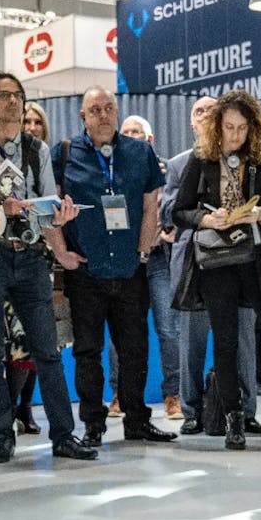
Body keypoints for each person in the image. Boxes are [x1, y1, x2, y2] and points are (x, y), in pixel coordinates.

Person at [0, 72, 98, 465]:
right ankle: (1, 436)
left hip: (27, 256)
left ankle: (63, 435)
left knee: (47, 350)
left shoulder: (37, 149)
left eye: (18, 96)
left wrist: (59, 218)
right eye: (4, 95)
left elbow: (46, 207)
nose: (13, 102)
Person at [172, 90, 261, 451]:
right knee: (224, 341)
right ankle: (233, 418)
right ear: (216, 126)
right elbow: (179, 212)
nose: (235, 135)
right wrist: (205, 218)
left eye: (242, 128)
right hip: (217, 263)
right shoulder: (201, 159)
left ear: (253, 128)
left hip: (259, 259)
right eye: (228, 127)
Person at [55, 87, 174, 446]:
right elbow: (52, 209)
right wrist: (62, 253)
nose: (104, 115)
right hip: (86, 270)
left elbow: (151, 205)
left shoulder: (140, 152)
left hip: (129, 267)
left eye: (109, 108)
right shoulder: (65, 154)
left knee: (135, 347)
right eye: (95, 110)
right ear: (83, 117)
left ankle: (137, 419)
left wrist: (143, 251)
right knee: (87, 350)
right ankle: (93, 424)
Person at [165, 97, 261, 434]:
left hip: (244, 260)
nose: (208, 116)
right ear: (196, 122)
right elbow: (174, 211)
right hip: (198, 264)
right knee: (192, 343)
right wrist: (207, 218)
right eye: (200, 112)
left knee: (243, 339)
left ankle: (246, 411)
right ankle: (192, 410)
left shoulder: (254, 160)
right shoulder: (182, 163)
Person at [113, 112, 181, 419]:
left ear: (149, 139)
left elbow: (175, 207)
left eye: (137, 131)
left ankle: (174, 395)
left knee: (168, 329)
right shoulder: (112, 170)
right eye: (126, 131)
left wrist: (170, 227)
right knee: (123, 332)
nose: (131, 135)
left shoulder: (167, 170)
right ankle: (119, 394)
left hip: (158, 261)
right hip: (127, 261)